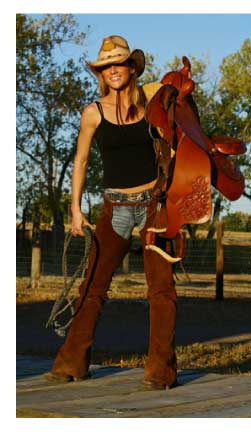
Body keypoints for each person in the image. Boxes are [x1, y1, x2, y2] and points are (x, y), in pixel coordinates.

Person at [44, 35, 178, 390]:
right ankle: (72, 361)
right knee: (93, 287)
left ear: (131, 67)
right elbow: (81, 161)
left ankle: (160, 370)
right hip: (115, 206)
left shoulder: (151, 104)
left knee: (162, 290)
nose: (113, 70)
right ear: (101, 72)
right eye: (106, 66)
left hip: (154, 205)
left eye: (119, 64)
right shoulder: (93, 112)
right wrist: (75, 209)